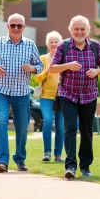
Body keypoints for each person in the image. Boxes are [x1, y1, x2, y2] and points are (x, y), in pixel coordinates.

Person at [49, 15, 100, 179]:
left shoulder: (96, 46)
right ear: (70, 30)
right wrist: (67, 66)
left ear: (88, 30)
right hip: (67, 93)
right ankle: (70, 166)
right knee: (70, 128)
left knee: (87, 130)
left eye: (83, 29)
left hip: (89, 95)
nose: (79, 31)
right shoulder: (64, 46)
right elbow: (52, 69)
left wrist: (97, 71)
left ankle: (85, 166)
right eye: (76, 28)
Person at [0, 13, 43, 173]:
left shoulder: (30, 45)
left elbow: (40, 66)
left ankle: (20, 159)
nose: (16, 28)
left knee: (22, 127)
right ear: (7, 26)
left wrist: (33, 68)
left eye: (19, 26)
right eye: (13, 25)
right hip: (1, 90)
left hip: (22, 92)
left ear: (24, 27)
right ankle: (2, 161)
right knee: (2, 121)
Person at [35, 31, 64, 163]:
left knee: (60, 126)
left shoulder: (65, 58)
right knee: (47, 121)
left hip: (62, 97)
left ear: (60, 44)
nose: (54, 44)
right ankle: (47, 152)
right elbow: (37, 78)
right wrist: (47, 70)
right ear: (47, 44)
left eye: (56, 41)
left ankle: (58, 154)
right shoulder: (43, 58)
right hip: (46, 96)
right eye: (51, 42)